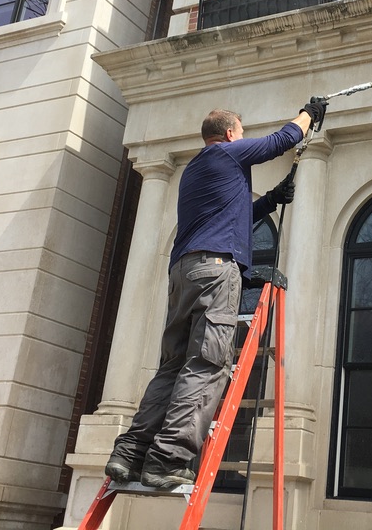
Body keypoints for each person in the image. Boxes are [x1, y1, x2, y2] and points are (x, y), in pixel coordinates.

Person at [105, 100, 327, 489]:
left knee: (173, 365)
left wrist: (271, 200)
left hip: (183, 273)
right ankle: (168, 459)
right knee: (207, 363)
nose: (242, 138)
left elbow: (230, 217)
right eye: (240, 132)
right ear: (229, 134)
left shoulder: (196, 169)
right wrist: (308, 114)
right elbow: (283, 139)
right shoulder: (227, 152)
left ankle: (129, 454)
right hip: (216, 271)